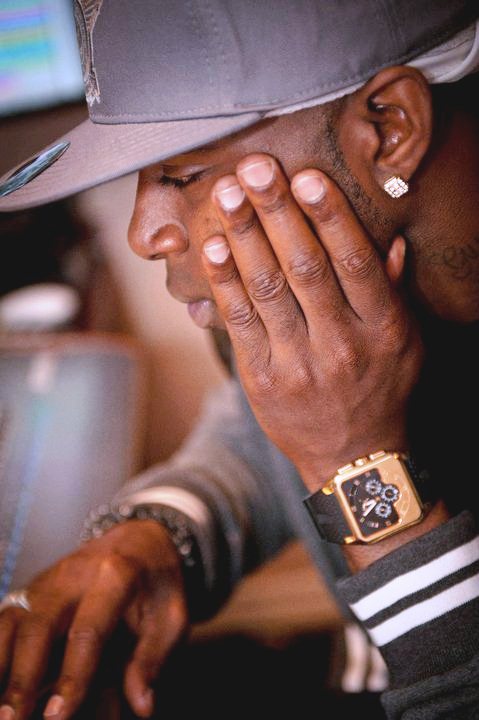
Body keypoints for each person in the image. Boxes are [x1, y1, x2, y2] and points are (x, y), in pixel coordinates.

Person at [0, 1, 478, 718]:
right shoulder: (328, 305)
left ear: (388, 126)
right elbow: (272, 436)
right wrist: (160, 536)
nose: (143, 234)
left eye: (185, 173)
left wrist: (357, 465)